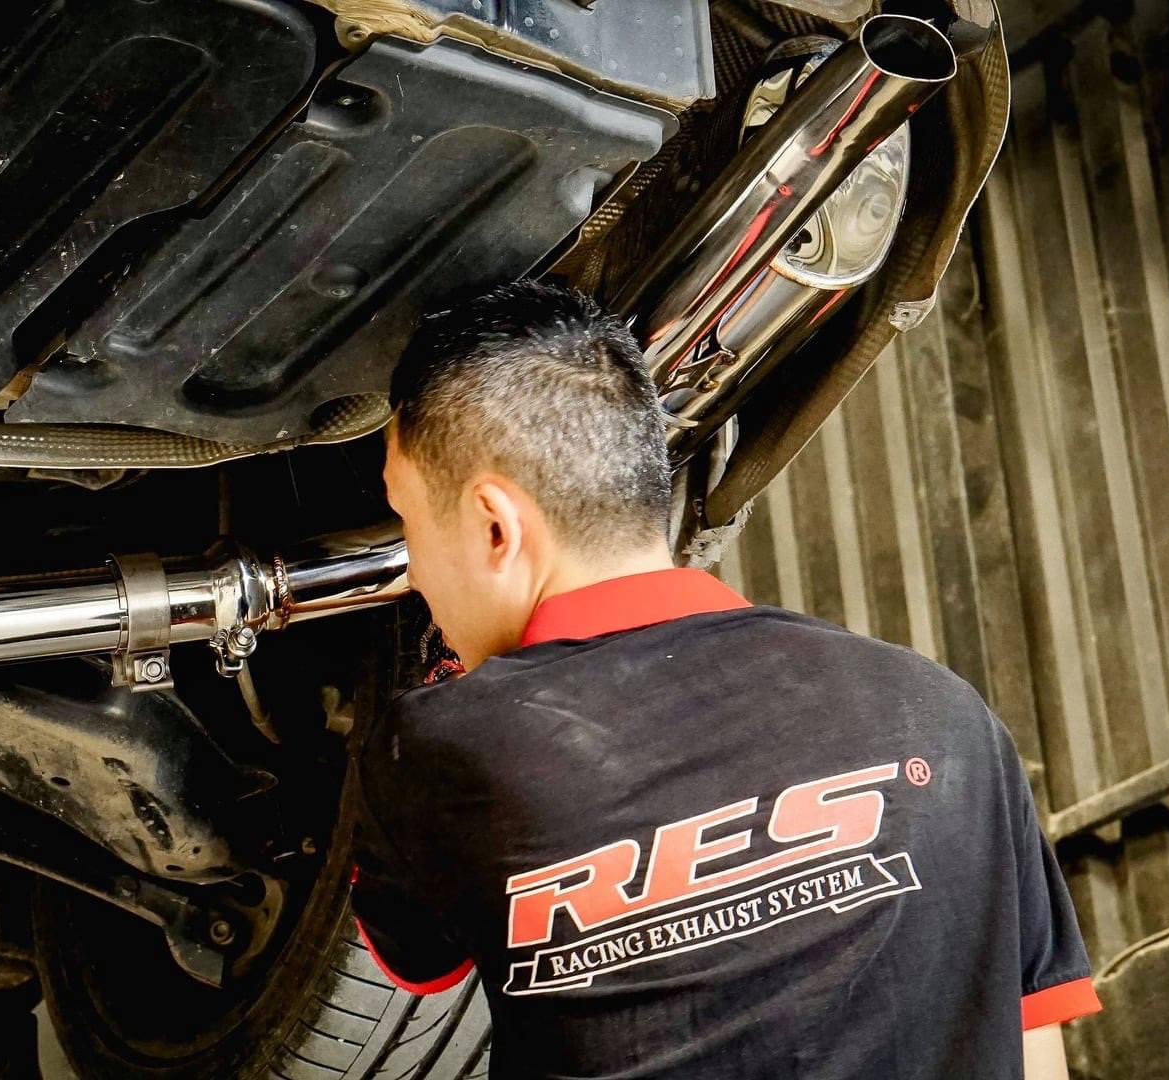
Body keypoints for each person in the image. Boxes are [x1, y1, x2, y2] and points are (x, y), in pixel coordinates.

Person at [351, 280, 1100, 1078]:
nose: (414, 574)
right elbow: (1036, 1045)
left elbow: (414, 964)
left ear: (495, 526)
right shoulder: (943, 714)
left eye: (409, 523)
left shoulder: (440, 750)